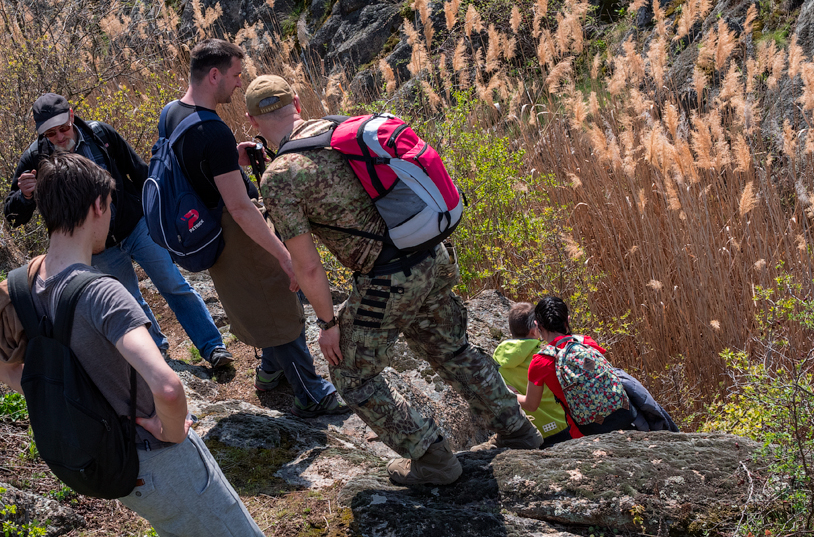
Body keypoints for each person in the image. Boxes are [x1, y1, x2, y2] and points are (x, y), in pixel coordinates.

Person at [0, 152, 353, 537]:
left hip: (114, 469)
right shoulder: (104, 294)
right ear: (99, 206)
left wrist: (91, 405)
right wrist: (174, 428)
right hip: (163, 460)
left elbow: (4, 372)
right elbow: (166, 384)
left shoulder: (22, 285)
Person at [245, 74, 542, 487]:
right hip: (435, 256)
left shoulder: (280, 177)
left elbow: (308, 267)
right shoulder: (342, 130)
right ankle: (519, 431)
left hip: (389, 278)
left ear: (252, 121)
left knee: (352, 374)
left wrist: (329, 325)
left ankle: (434, 458)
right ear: (296, 102)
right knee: (451, 349)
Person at [160, 40, 343, 417]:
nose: (239, 83)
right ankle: (311, 392)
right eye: (235, 75)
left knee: (258, 304)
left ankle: (271, 371)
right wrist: (284, 254)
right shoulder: (211, 131)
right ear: (214, 75)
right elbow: (241, 208)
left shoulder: (174, 113)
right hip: (237, 235)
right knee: (277, 304)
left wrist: (231, 160)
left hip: (207, 230)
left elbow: (197, 170)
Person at [3, 93, 233, 368]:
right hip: (97, 247)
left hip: (136, 225)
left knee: (173, 284)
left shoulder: (100, 134)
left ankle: (212, 347)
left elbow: (138, 171)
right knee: (130, 301)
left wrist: (161, 213)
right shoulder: (35, 158)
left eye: (63, 128)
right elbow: (13, 216)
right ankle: (159, 356)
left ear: (72, 115)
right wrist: (26, 196)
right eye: (51, 133)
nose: (60, 137)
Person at [519, 295, 635, 438]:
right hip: (621, 417)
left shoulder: (540, 362)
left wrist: (509, 393)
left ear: (538, 326)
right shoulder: (585, 342)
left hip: (584, 432)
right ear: (567, 320)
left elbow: (531, 405)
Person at [492, 302, 572, 447]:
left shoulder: (497, 360)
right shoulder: (545, 357)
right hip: (561, 427)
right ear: (534, 330)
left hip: (528, 433)